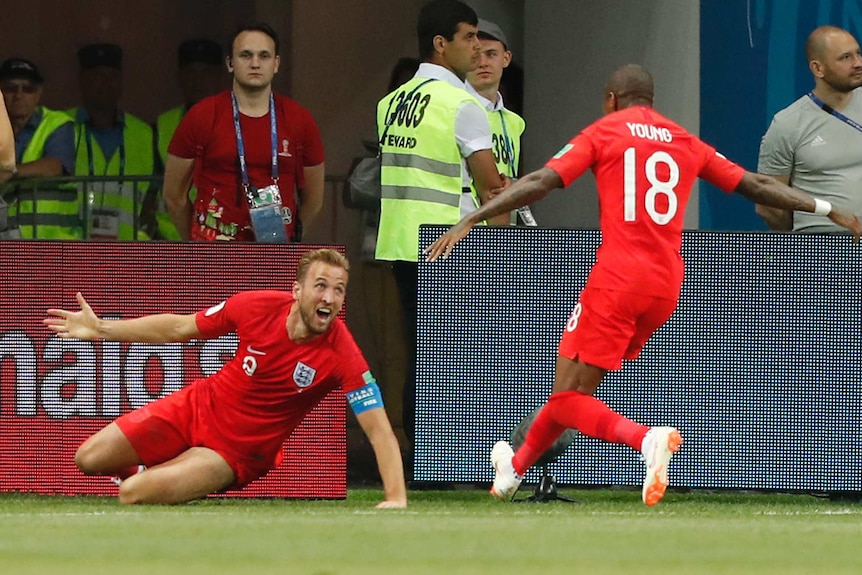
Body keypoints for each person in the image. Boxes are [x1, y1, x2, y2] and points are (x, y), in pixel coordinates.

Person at [425, 64, 862, 506]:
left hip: (618, 277)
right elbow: (756, 184)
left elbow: (542, 180)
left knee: (565, 398)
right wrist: (827, 207)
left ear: (612, 99)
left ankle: (645, 439)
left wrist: (474, 216)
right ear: (650, 100)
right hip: (666, 283)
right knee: (571, 395)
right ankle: (512, 472)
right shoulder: (682, 139)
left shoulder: (606, 131)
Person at [42, 248, 407, 507]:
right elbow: (179, 327)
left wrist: (395, 499)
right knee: (87, 458)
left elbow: (379, 430)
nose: (329, 297)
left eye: (338, 290)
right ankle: (151, 467)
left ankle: (162, 476)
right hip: (196, 407)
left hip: (233, 453)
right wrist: (103, 328)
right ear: (298, 291)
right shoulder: (254, 306)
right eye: (321, 285)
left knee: (131, 493)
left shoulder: (343, 353)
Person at [376, 0, 508, 454]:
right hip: (447, 242)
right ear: (440, 44)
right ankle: (448, 457)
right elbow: (491, 184)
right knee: (455, 357)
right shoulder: (463, 103)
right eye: (468, 37)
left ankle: (423, 456)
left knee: (420, 350)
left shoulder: (391, 103)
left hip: (398, 239)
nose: (477, 47)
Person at [163, 23, 325, 242]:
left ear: (276, 64)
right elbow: (173, 196)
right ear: (230, 63)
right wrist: (195, 245)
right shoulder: (201, 115)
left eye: (264, 56)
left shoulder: (299, 119)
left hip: (274, 252)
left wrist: (291, 239)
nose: (255, 63)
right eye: (245, 55)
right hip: (213, 252)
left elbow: (314, 199)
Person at [756, 25, 862, 233]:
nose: (858, 63)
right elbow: (769, 205)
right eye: (845, 58)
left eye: (858, 53)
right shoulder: (788, 124)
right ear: (818, 69)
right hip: (819, 249)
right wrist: (805, 244)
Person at [68, 43, 156, 240]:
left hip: (129, 250)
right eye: (98, 75)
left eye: (112, 76)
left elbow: (153, 195)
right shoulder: (63, 127)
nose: (106, 83)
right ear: (82, 80)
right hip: (74, 247)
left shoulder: (144, 133)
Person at [153, 38, 226, 240]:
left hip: (223, 243)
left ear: (219, 77)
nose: (198, 81)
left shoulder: (241, 125)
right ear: (180, 78)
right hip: (171, 241)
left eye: (206, 73)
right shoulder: (162, 125)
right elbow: (149, 193)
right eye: (191, 73)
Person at [0, 58, 79, 238]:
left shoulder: (57, 124)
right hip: (7, 242)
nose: (19, 95)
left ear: (39, 93)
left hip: (51, 244)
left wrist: (10, 173)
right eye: (11, 88)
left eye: (28, 88)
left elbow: (55, 167)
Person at [465, 19, 534, 225]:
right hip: (466, 230)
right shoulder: (454, 110)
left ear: (506, 58)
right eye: (475, 55)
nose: (483, 62)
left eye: (491, 54)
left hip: (501, 230)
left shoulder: (514, 122)